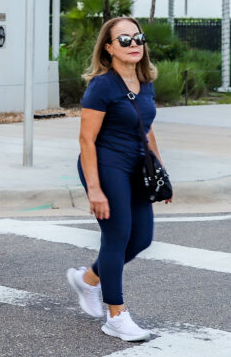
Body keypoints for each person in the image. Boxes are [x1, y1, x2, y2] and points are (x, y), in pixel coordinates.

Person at [66, 17, 166, 342]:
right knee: (117, 235)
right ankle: (116, 315)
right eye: (124, 40)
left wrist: (160, 169)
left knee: (142, 239)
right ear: (108, 48)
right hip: (106, 165)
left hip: (137, 168)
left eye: (137, 37)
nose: (134, 43)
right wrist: (94, 189)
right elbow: (86, 140)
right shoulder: (102, 86)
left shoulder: (144, 80)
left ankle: (89, 279)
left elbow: (146, 127)